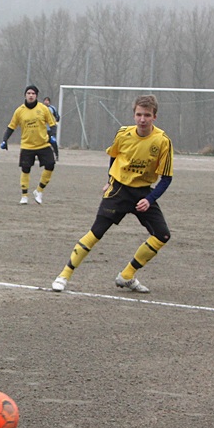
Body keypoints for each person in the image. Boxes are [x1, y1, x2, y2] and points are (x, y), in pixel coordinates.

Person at [52, 94, 174, 294]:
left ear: (154, 117)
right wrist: (110, 180)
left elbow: (167, 178)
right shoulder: (123, 134)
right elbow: (114, 156)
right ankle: (63, 276)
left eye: (147, 115)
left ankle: (126, 275)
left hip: (143, 193)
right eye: (139, 114)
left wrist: (149, 199)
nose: (142, 119)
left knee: (162, 235)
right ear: (134, 115)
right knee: (96, 232)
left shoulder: (162, 141)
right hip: (119, 190)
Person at [0, 85, 57, 205]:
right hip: (27, 145)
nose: (31, 95)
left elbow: (52, 124)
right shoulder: (19, 111)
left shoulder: (43, 109)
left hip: (43, 144)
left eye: (33, 93)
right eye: (29, 93)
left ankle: (39, 191)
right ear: (25, 95)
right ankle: (24, 196)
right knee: (25, 169)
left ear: (36, 95)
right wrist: (5, 140)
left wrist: (52, 135)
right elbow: (11, 127)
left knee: (50, 164)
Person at [43, 96, 60, 161]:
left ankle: (56, 155)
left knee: (53, 141)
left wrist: (56, 120)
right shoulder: (41, 108)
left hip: (52, 128)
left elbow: (57, 117)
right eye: (45, 100)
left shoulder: (52, 108)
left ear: (49, 102)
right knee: (43, 142)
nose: (46, 102)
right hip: (43, 129)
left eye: (47, 100)